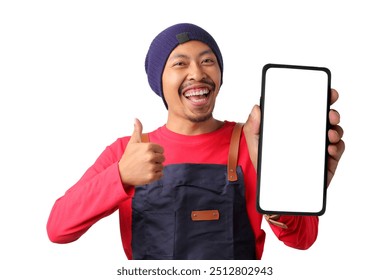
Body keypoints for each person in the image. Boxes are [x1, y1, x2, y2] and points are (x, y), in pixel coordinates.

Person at [46, 23, 345, 260]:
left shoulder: (253, 142)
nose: (197, 73)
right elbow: (58, 228)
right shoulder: (128, 152)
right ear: (159, 82)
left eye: (207, 61)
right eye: (180, 64)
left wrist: (289, 191)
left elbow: (303, 240)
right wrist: (121, 176)